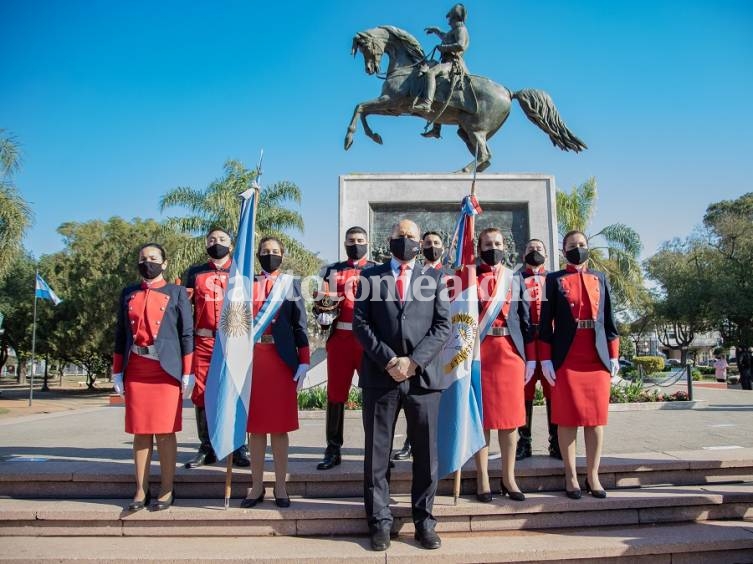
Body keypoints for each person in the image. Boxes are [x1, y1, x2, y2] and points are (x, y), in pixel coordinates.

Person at [353, 219, 450, 551]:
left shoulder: (434, 278)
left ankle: (424, 521)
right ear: (389, 240)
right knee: (377, 454)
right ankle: (379, 521)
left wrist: (413, 362)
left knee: (426, 454)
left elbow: (442, 326)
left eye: (411, 236)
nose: (406, 241)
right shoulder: (370, 277)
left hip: (423, 378)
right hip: (382, 377)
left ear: (420, 242)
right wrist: (390, 360)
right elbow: (360, 323)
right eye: (400, 236)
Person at [112, 243, 194, 512]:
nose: (148, 262)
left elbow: (186, 334)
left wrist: (187, 371)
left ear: (165, 263)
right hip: (137, 368)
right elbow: (121, 334)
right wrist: (117, 370)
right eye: (143, 259)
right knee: (141, 431)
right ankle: (140, 489)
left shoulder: (177, 292)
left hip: (166, 370)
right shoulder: (129, 293)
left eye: (154, 258)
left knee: (165, 431)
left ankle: (167, 489)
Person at [539, 230, 620, 500]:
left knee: (596, 420)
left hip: (595, 356)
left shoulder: (600, 278)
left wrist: (614, 354)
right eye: (572, 245)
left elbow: (609, 321)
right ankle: (571, 475)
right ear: (564, 251)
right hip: (566, 356)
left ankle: (593, 475)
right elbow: (544, 323)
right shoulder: (553, 279)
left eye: (582, 244)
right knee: (567, 419)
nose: (578, 248)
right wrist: (546, 357)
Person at [241, 236, 309, 509]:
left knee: (279, 429)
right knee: (255, 430)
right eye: (265, 251)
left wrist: (303, 361)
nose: (270, 255)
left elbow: (300, 326)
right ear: (257, 255)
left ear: (283, 254)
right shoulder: (244, 284)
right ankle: (256, 486)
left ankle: (281, 486)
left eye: (275, 251)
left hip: (281, 363)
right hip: (252, 362)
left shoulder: (290, 285)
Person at [472, 228, 533, 503]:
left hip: (510, 355)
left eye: (497, 243)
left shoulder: (514, 278)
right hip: (480, 354)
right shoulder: (469, 277)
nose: (492, 247)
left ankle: (509, 478)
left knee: (510, 423)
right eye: (487, 243)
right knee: (482, 421)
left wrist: (529, 358)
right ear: (479, 246)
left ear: (504, 246)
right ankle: (483, 478)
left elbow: (524, 320)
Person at [182, 228, 250, 469]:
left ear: (231, 246)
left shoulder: (242, 272)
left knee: (236, 389)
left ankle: (239, 446)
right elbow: (182, 309)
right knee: (201, 394)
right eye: (212, 240)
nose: (216, 243)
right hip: (204, 342)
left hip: (233, 341)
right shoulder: (195, 273)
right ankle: (207, 446)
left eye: (222, 240)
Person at [313, 226, 376, 470]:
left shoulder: (377, 270)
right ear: (345, 242)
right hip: (340, 338)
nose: (356, 243)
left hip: (368, 341)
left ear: (367, 243)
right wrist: (321, 315)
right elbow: (323, 301)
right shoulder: (333, 270)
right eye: (351, 240)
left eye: (360, 240)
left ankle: (375, 449)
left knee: (372, 394)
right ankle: (333, 448)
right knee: (336, 394)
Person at [392, 231, 446, 463]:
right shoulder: (415, 274)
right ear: (420, 246)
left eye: (436, 243)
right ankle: (408, 442)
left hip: (443, 349)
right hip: (413, 353)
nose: (432, 246)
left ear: (443, 248)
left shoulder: (451, 275)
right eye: (428, 243)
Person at [516, 239, 561, 461]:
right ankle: (524, 442)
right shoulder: (516, 279)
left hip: (549, 344)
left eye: (539, 249)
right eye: (530, 249)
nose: (534, 252)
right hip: (524, 344)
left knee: (553, 393)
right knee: (524, 394)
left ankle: (556, 442)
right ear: (523, 253)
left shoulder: (553, 279)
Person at [414, 3, 470, 139]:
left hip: (453, 63)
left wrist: (444, 48)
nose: (448, 20)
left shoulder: (461, 30)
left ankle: (426, 104)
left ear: (455, 17)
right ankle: (436, 129)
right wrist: (436, 30)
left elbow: (460, 45)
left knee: (431, 73)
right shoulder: (454, 31)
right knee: (436, 84)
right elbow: (446, 36)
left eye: (449, 17)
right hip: (447, 61)